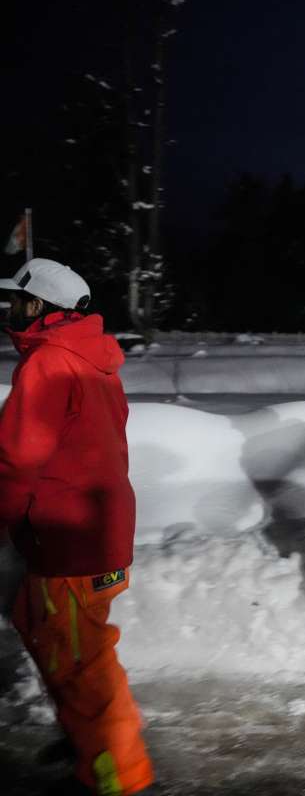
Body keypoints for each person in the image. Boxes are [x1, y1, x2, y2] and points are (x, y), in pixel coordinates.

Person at [0, 258, 154, 794]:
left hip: (69, 541)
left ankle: (121, 778)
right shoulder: (97, 364)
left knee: (82, 664)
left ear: (38, 307)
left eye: (16, 301)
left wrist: (9, 521)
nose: (9, 310)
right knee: (48, 632)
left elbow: (17, 461)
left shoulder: (48, 365)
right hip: (104, 536)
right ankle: (89, 743)